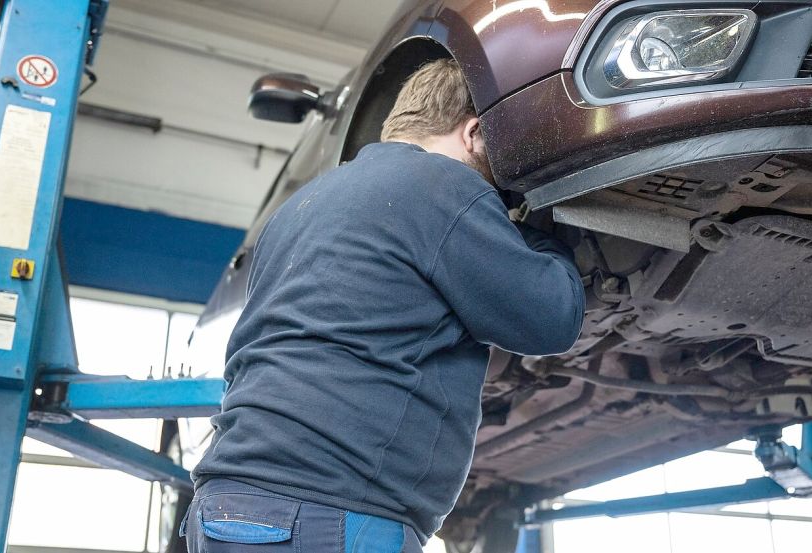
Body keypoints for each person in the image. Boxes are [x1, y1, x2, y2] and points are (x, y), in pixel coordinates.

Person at [184, 59, 585, 552]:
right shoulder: (442, 184)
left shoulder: (301, 205)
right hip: (328, 509)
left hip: (224, 505)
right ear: (474, 133)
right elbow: (550, 319)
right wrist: (545, 235)